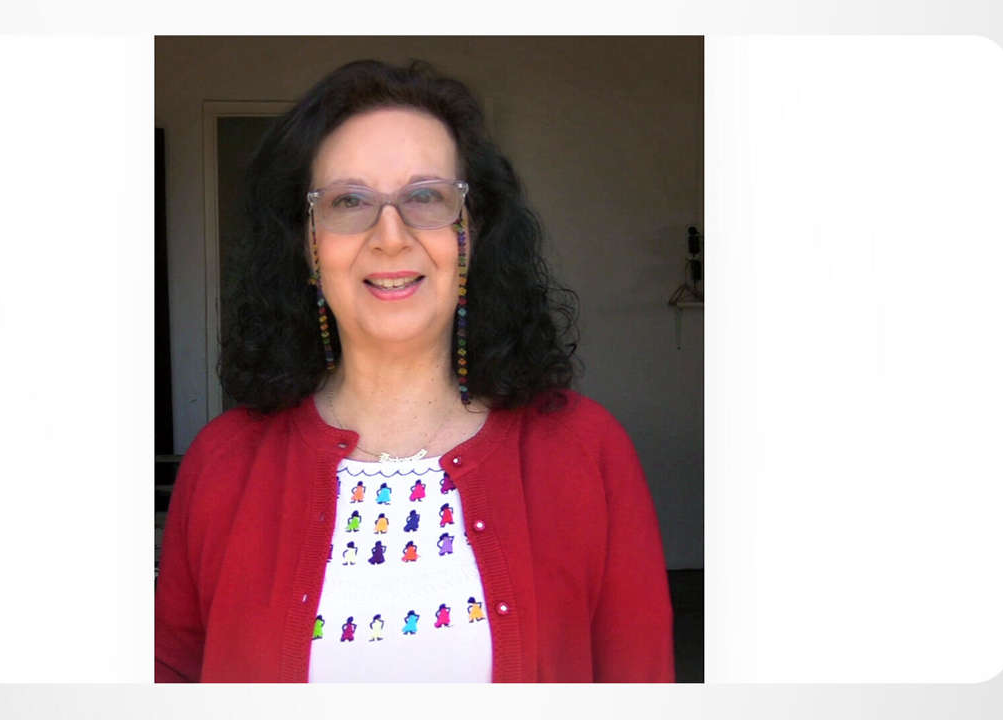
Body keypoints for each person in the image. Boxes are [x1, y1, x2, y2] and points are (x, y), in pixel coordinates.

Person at [154, 59, 672, 683]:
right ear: (307, 244)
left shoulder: (586, 452)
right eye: (349, 201)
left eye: (426, 197)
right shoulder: (222, 464)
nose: (391, 236)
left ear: (474, 232)